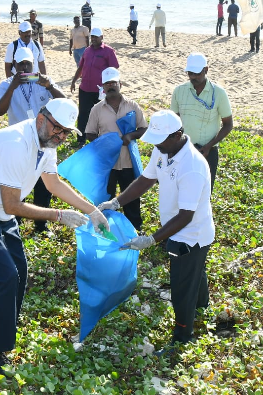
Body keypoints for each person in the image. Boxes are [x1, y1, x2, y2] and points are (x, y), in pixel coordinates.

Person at [0, 98, 110, 375]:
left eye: (65, 133)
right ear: (41, 119)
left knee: (20, 269)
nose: (60, 136)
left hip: (0, 206)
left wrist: (92, 210)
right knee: (5, 275)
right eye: (57, 129)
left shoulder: (47, 143)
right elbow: (13, 206)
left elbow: (53, 182)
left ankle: (5, 328)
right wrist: (58, 215)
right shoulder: (15, 144)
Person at [97, 109, 214, 355]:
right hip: (178, 229)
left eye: (160, 141)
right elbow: (145, 180)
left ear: (178, 135)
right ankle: (203, 305)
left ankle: (182, 337)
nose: (156, 146)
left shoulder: (192, 166)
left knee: (181, 287)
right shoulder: (164, 150)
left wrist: (151, 239)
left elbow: (186, 216)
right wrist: (116, 202)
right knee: (195, 272)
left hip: (190, 235)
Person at [0, 46, 66, 233]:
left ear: (34, 64)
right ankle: (14, 224)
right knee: (18, 182)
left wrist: (49, 85)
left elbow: (65, 103)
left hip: (44, 139)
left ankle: (41, 225)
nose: (25, 68)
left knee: (44, 183)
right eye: (21, 65)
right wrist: (13, 85)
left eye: (28, 64)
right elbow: (0, 110)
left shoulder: (43, 82)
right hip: (19, 141)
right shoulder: (6, 84)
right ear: (15, 66)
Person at [84, 67, 147, 230]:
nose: (111, 86)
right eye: (107, 83)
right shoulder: (96, 109)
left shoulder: (132, 105)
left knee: (131, 197)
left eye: (114, 83)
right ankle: (105, 229)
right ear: (103, 88)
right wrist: (104, 142)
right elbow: (89, 133)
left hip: (128, 161)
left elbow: (143, 128)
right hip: (107, 164)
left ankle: (134, 229)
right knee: (106, 197)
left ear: (120, 84)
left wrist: (130, 136)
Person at [170, 53, 233, 192]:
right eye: (190, 73)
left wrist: (209, 146)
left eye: (197, 73)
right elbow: (173, 122)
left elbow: (228, 124)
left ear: (206, 70)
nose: (193, 77)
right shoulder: (179, 91)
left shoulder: (219, 93)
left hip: (208, 152)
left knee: (204, 193)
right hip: (183, 150)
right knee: (181, 191)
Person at [70, 27, 120, 144]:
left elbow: (114, 70)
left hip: (100, 91)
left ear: (101, 37)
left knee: (101, 115)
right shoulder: (87, 51)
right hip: (85, 88)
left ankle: (99, 140)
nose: (93, 39)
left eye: (96, 37)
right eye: (92, 37)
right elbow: (81, 67)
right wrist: (74, 81)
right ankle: (80, 140)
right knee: (83, 114)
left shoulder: (108, 51)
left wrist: (113, 88)